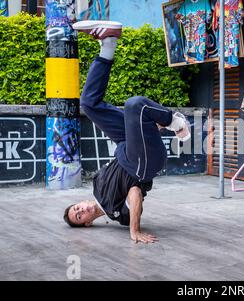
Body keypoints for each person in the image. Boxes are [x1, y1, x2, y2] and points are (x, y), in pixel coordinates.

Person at [63, 20, 191, 244]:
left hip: (128, 147)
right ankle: (175, 122)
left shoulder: (96, 185)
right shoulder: (116, 213)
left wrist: (150, 131)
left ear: (79, 201)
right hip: (140, 166)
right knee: (135, 104)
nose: (81, 210)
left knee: (89, 104)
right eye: (79, 216)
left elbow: (139, 143)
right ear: (87, 223)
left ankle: (109, 41)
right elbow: (135, 194)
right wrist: (134, 230)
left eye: (77, 208)